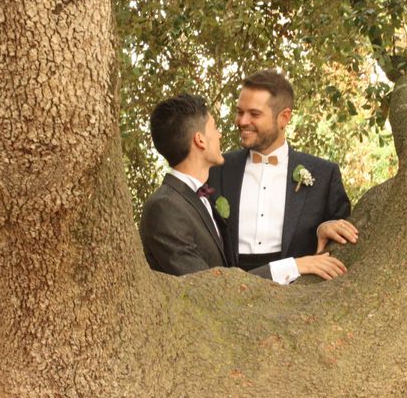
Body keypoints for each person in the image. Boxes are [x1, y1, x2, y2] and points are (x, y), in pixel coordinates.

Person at [139, 93, 347, 282]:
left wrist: (321, 228)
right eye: (214, 128)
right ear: (200, 140)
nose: (220, 135)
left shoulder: (196, 197)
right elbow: (207, 288)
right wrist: (295, 265)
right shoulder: (165, 208)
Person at [208, 70, 358, 284]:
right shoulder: (216, 169)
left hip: (296, 293)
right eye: (239, 112)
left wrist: (321, 229)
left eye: (254, 114)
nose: (242, 121)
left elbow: (342, 242)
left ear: (284, 118)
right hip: (227, 290)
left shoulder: (324, 174)